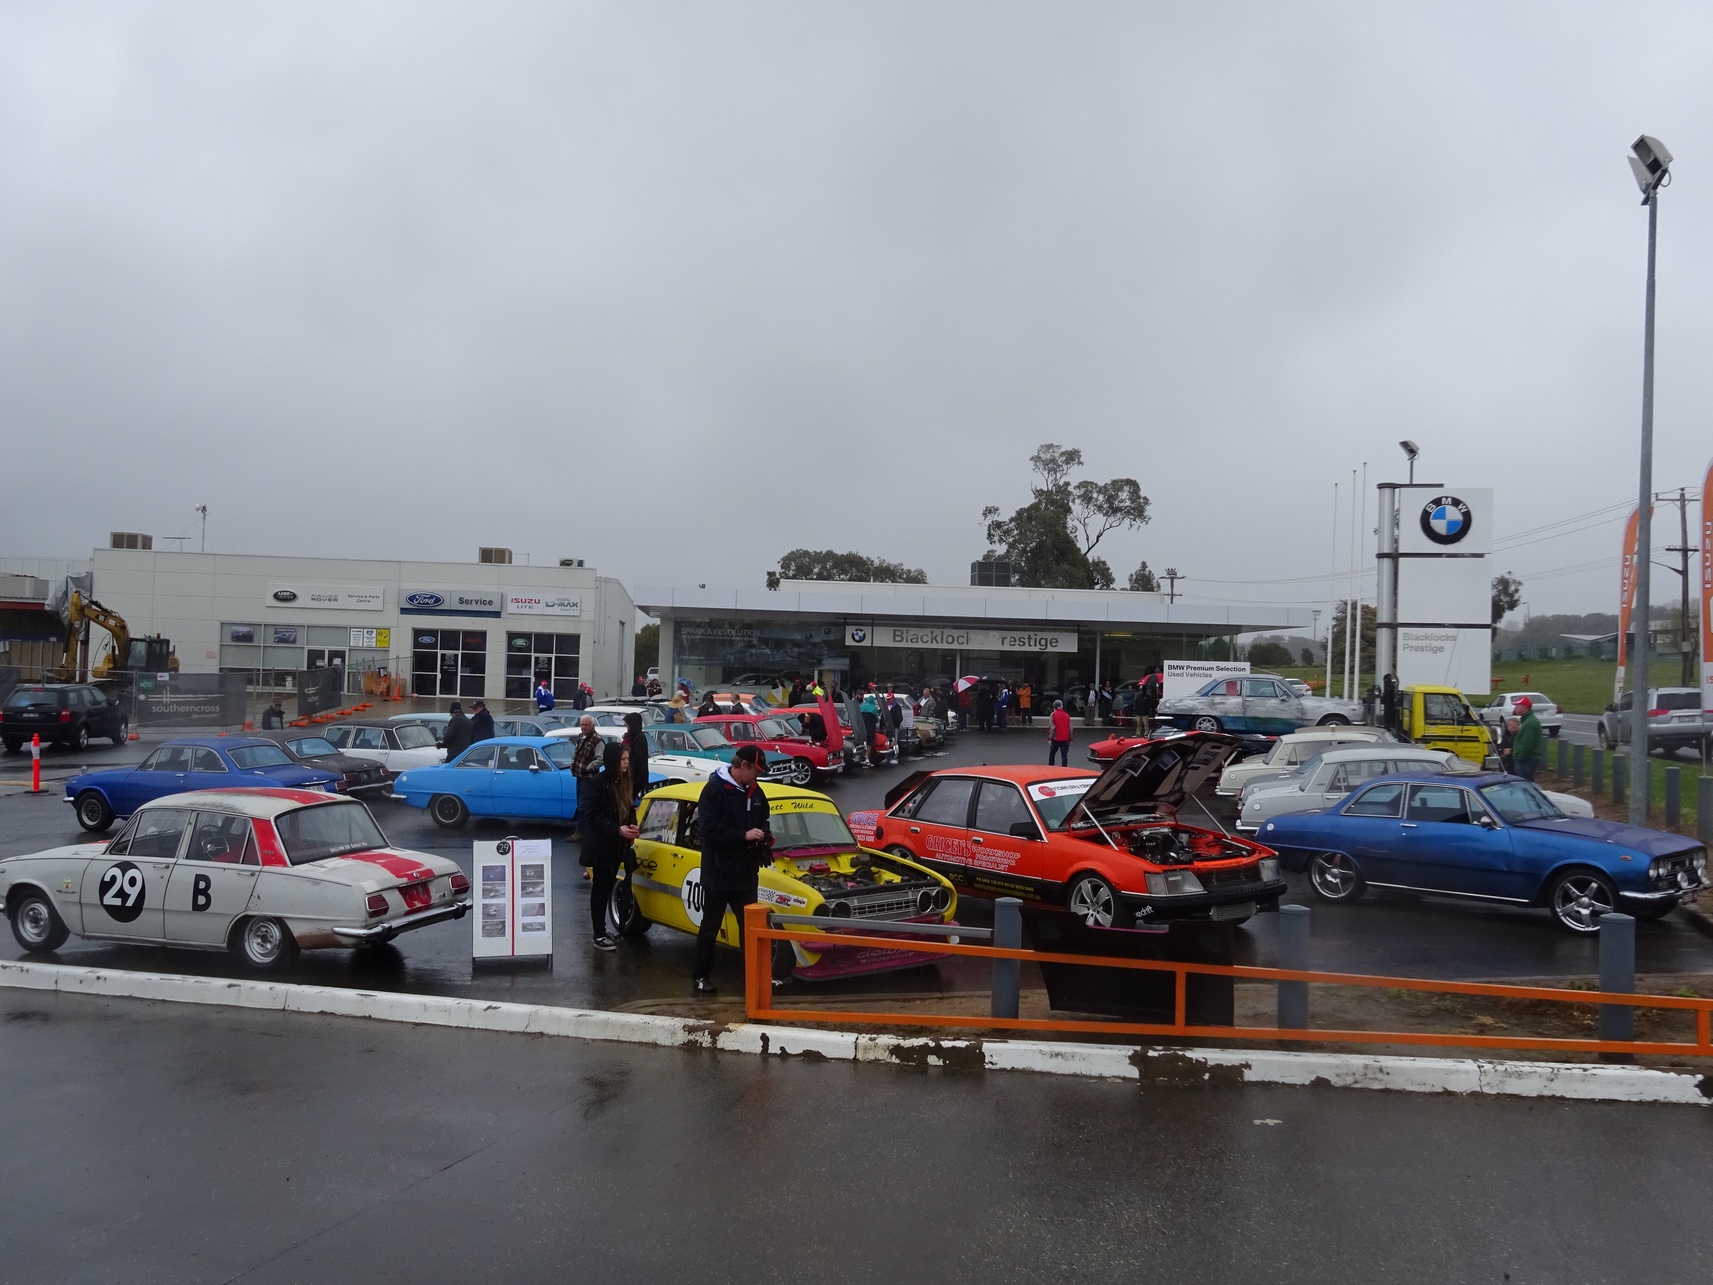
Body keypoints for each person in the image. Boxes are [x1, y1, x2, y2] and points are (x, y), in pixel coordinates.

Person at [691, 744, 773, 995]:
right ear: (743, 766)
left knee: (751, 927)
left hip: (746, 872)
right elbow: (708, 829)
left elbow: (764, 818)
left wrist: (765, 835)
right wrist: (743, 835)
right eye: (756, 771)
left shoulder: (755, 791)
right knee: (710, 927)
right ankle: (701, 976)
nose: (758, 776)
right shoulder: (714, 790)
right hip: (718, 872)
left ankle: (756, 976)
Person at [580, 741, 638, 953]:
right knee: (600, 890)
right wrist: (617, 830)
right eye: (623, 759)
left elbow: (628, 808)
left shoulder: (624, 781)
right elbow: (592, 816)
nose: (626, 763)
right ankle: (599, 934)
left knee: (607, 888)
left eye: (627, 759)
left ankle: (602, 932)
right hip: (601, 847)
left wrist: (632, 825)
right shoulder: (597, 783)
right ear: (613, 761)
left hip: (617, 847)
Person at [568, 714, 604, 837]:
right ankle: (583, 830)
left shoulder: (597, 740)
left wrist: (589, 767)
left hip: (589, 778)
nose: (583, 727)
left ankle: (581, 832)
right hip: (579, 776)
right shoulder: (581, 736)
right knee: (580, 803)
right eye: (582, 725)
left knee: (584, 804)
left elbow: (601, 759)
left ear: (592, 725)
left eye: (586, 725)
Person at [622, 711, 650, 803]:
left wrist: (628, 768)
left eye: (627, 725)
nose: (626, 726)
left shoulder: (639, 738)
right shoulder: (630, 737)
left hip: (636, 777)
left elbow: (637, 759)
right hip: (630, 776)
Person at [1048, 699, 1072, 766]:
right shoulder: (1067, 715)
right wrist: (1070, 739)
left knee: (1052, 753)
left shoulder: (1053, 715)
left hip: (1056, 738)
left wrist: (1050, 738)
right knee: (1064, 755)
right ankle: (1064, 768)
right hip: (1065, 738)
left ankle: (1051, 767)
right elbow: (1070, 728)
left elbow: (1052, 728)